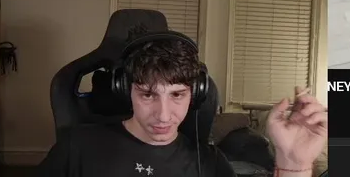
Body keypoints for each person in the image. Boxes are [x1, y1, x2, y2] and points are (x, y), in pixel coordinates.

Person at [36, 33, 327, 176]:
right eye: (148, 95)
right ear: (126, 91)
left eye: (177, 95)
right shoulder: (77, 148)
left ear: (196, 94)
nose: (163, 116)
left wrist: (294, 164)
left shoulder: (209, 163)